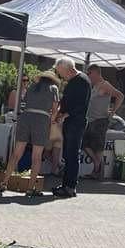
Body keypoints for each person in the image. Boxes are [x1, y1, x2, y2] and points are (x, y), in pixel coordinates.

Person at [0, 71, 58, 197]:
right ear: (52, 80)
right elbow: (55, 107)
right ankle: (30, 188)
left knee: (16, 153)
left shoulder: (32, 87)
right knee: (36, 156)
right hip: (41, 119)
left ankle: (4, 183)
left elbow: (25, 101)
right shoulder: (53, 88)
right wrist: (52, 120)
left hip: (26, 117)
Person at [52, 57, 91, 198]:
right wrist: (59, 112)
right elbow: (67, 100)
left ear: (68, 69)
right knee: (68, 155)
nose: (60, 75)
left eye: (60, 72)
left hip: (76, 122)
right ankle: (66, 185)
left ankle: (70, 186)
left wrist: (65, 114)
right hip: (70, 122)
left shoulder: (82, 81)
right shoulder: (72, 81)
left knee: (72, 154)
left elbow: (81, 104)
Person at [83, 65, 125, 177]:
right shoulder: (94, 85)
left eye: (89, 73)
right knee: (84, 144)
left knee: (98, 146)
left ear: (96, 72)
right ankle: (97, 165)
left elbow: (120, 96)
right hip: (91, 120)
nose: (88, 76)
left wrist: (113, 111)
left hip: (100, 120)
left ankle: (97, 171)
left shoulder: (105, 84)